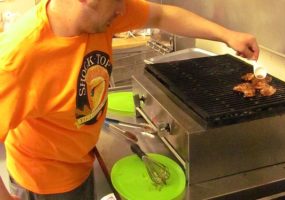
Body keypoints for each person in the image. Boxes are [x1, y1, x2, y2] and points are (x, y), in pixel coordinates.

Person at [0, 0, 259, 199]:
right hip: (44, 185)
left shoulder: (102, 13)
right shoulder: (17, 59)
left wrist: (228, 35)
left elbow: (162, 14)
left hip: (79, 164)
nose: (124, 10)